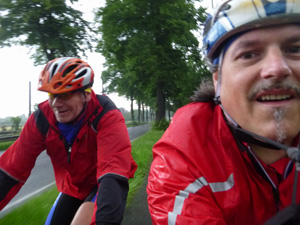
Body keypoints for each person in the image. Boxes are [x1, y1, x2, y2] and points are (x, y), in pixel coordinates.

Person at [147, 0, 300, 224]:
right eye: (248, 54)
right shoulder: (185, 155)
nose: (277, 68)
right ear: (218, 81)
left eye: (295, 49)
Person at [0, 57, 137, 225]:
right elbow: (10, 170)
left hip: (103, 184)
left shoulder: (106, 115)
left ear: (86, 95)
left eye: (64, 94)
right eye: (52, 94)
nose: (56, 104)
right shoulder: (41, 120)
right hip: (73, 186)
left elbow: (112, 172)